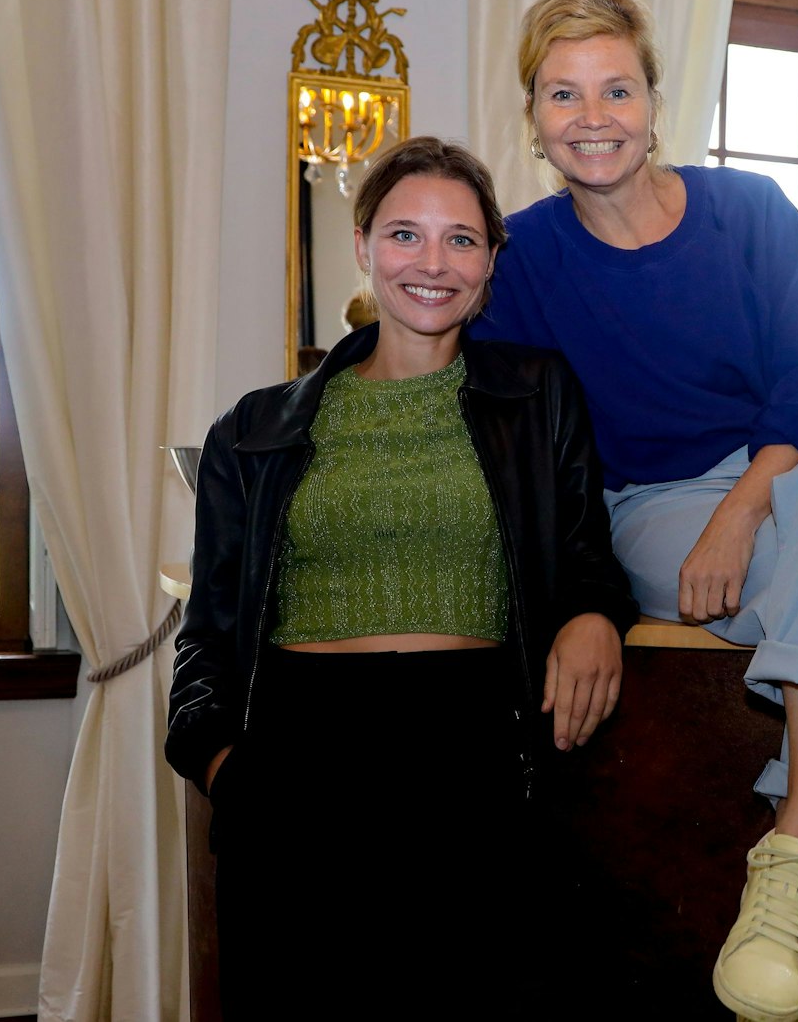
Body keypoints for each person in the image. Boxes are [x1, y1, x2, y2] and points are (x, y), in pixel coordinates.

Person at [472, 0, 798, 1022]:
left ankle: (789, 859)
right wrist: (578, 598)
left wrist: (743, 509)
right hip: (652, 504)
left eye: (614, 89)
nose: (591, 115)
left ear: (653, 104)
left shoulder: (747, 212)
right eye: (563, 93)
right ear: (533, 119)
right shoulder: (521, 262)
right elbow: (514, 444)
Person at [165, 136, 637, 1017]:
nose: (433, 263)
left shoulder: (538, 395)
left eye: (461, 239)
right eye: (405, 234)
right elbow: (206, 644)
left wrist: (595, 612)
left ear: (492, 260)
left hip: (475, 776)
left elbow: (587, 559)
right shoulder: (254, 430)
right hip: (299, 779)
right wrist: (231, 770)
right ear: (363, 245)